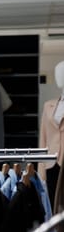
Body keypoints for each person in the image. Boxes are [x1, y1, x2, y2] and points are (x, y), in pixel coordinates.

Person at [39, 60, 64, 221]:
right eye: (59, 72)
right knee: (53, 210)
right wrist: (41, 170)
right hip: (51, 163)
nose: (60, 76)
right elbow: (43, 138)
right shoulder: (49, 106)